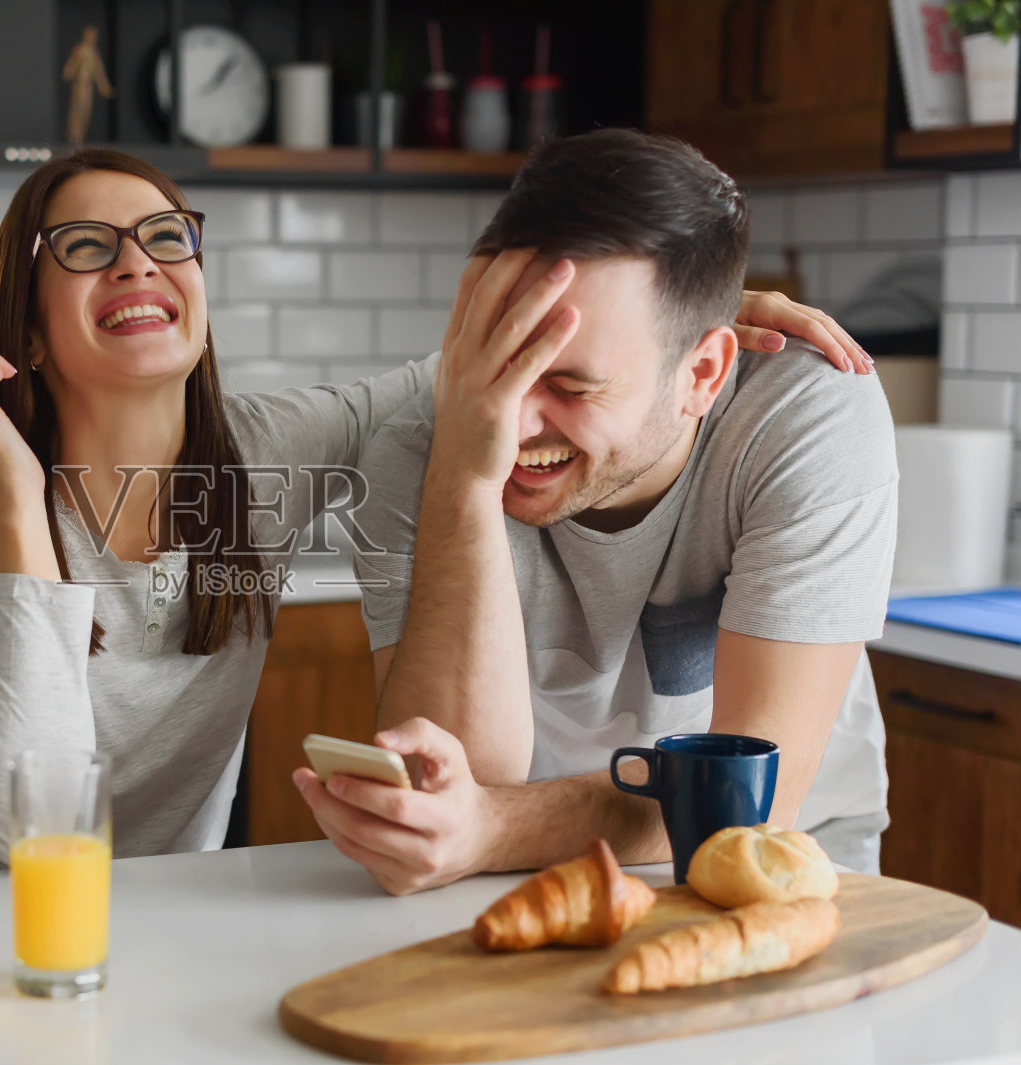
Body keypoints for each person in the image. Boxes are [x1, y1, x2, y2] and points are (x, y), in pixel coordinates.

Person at [0, 145, 874, 861]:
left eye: (165, 236)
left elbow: (475, 378)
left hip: (173, 906)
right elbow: (20, 830)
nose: (137, 261)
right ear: (27, 328)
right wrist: (14, 502)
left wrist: (692, 316)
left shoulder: (249, 469)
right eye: (83, 247)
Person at [294, 129, 897, 893]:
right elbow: (452, 780)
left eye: (571, 387)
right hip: (511, 882)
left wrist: (492, 825)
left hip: (785, 876)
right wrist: (462, 475)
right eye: (498, 357)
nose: (511, 422)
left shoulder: (805, 416)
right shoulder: (428, 446)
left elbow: (744, 804)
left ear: (702, 374)